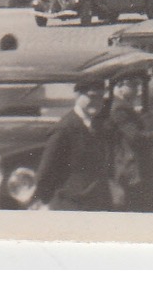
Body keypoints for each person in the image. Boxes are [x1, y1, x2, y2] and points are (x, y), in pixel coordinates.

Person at [33, 80, 112, 211]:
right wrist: (44, 201)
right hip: (71, 205)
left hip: (95, 203)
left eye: (100, 97)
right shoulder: (64, 128)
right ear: (77, 96)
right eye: (91, 96)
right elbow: (45, 173)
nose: (97, 102)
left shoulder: (96, 125)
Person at [106, 76, 153, 212]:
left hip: (132, 165)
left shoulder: (121, 105)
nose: (137, 91)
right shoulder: (120, 108)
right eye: (132, 86)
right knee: (138, 207)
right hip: (132, 167)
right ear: (119, 87)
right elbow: (135, 138)